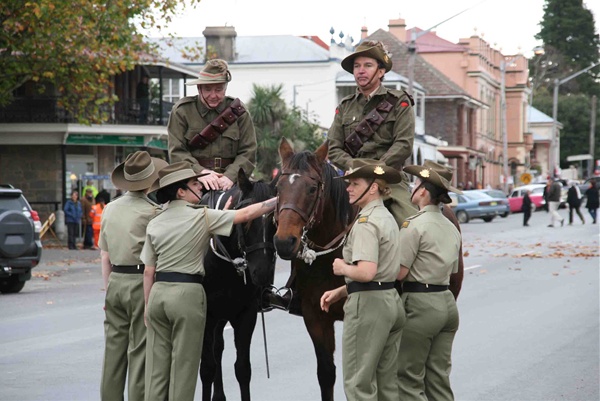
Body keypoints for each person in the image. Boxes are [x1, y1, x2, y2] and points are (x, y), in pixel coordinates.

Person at [141, 161, 276, 401]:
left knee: (158, 366)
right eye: (195, 184)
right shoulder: (202, 216)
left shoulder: (155, 222)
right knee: (185, 365)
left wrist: (147, 307)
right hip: (186, 295)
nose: (201, 187)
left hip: (158, 295)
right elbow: (246, 214)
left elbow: (148, 271)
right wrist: (279, 200)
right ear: (181, 191)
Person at [320, 159, 405, 401]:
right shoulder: (386, 216)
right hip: (389, 301)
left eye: (355, 183)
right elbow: (384, 274)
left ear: (374, 188)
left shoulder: (367, 222)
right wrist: (341, 291)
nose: (348, 188)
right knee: (387, 386)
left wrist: (342, 267)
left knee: (359, 386)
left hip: (369, 307)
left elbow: (367, 273)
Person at [98, 151, 168, 401]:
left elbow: (104, 256)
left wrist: (108, 291)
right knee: (139, 352)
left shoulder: (108, 209)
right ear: (149, 182)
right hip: (141, 282)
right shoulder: (154, 212)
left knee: (113, 353)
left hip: (115, 280)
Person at [327, 40, 417, 227]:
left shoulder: (399, 102)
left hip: (388, 181)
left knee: (410, 226)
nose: (361, 70)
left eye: (368, 65)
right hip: (351, 180)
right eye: (357, 66)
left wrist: (376, 169)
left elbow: (404, 144)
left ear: (381, 71)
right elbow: (333, 148)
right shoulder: (345, 106)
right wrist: (355, 167)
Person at [397, 160, 462, 401]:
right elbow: (452, 268)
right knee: (438, 380)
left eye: (415, 183)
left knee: (408, 378)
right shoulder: (452, 228)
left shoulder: (413, 225)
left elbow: (400, 274)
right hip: (446, 303)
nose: (413, 187)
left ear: (422, 191)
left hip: (421, 305)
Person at [168, 58, 257, 191]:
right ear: (199, 88)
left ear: (225, 88)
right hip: (193, 181)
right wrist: (200, 172)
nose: (213, 95)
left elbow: (248, 151)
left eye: (218, 89)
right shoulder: (182, 111)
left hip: (231, 183)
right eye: (208, 89)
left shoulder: (238, 112)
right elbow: (176, 152)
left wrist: (230, 177)